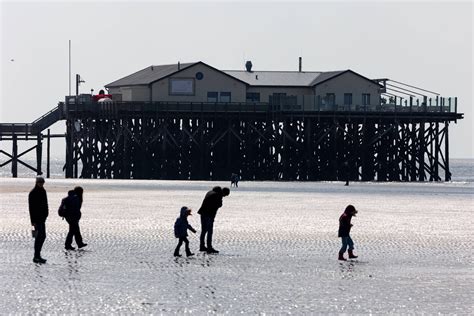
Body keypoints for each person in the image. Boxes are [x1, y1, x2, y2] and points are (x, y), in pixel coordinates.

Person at [198, 186, 230, 254]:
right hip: (209, 215)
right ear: (223, 192)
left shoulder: (210, 192)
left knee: (204, 230)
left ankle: (202, 246)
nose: (224, 196)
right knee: (209, 231)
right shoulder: (218, 195)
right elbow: (219, 205)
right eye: (225, 195)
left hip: (203, 213)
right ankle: (209, 247)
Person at [28, 176, 49, 263]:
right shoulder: (33, 193)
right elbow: (31, 208)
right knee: (39, 237)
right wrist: (32, 221)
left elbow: (45, 203)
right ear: (36, 183)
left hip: (42, 218)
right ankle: (36, 256)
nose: (41, 184)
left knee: (42, 236)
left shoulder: (43, 191)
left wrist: (46, 213)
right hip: (36, 219)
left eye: (42, 182)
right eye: (40, 182)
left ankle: (38, 255)